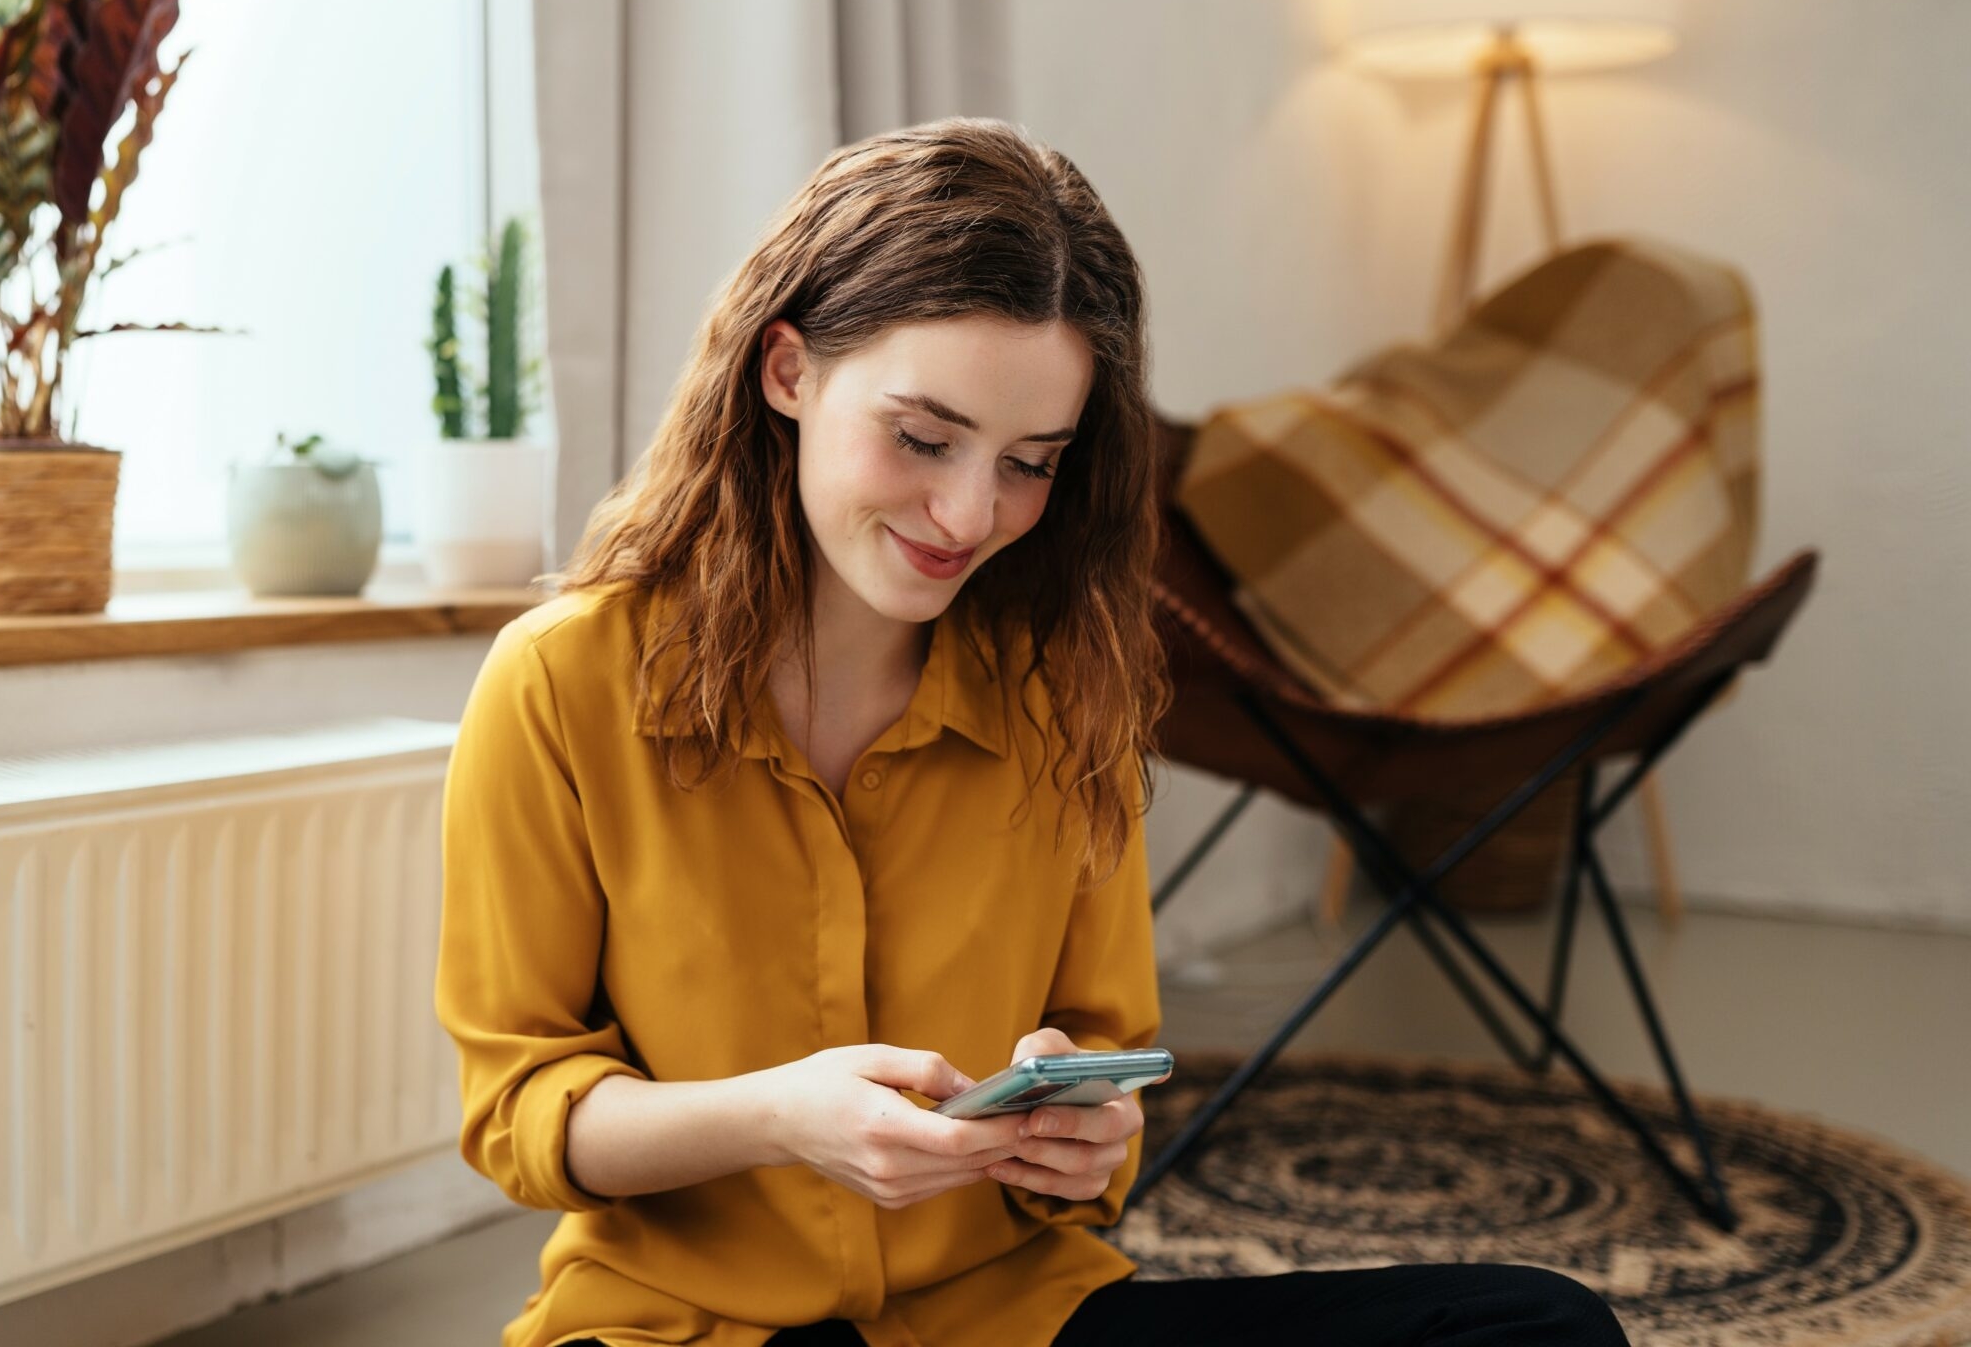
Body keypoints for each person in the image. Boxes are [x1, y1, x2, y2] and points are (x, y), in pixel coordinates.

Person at [435, 117, 1631, 1347]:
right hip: (674, 1325)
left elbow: (1106, 1062)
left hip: (1004, 1320)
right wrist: (777, 1117)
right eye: (922, 436)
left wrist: (1079, 1143)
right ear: (786, 371)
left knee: (1538, 1327)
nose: (968, 512)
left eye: (1030, 461)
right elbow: (520, 1115)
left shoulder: (1064, 693)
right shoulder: (562, 681)